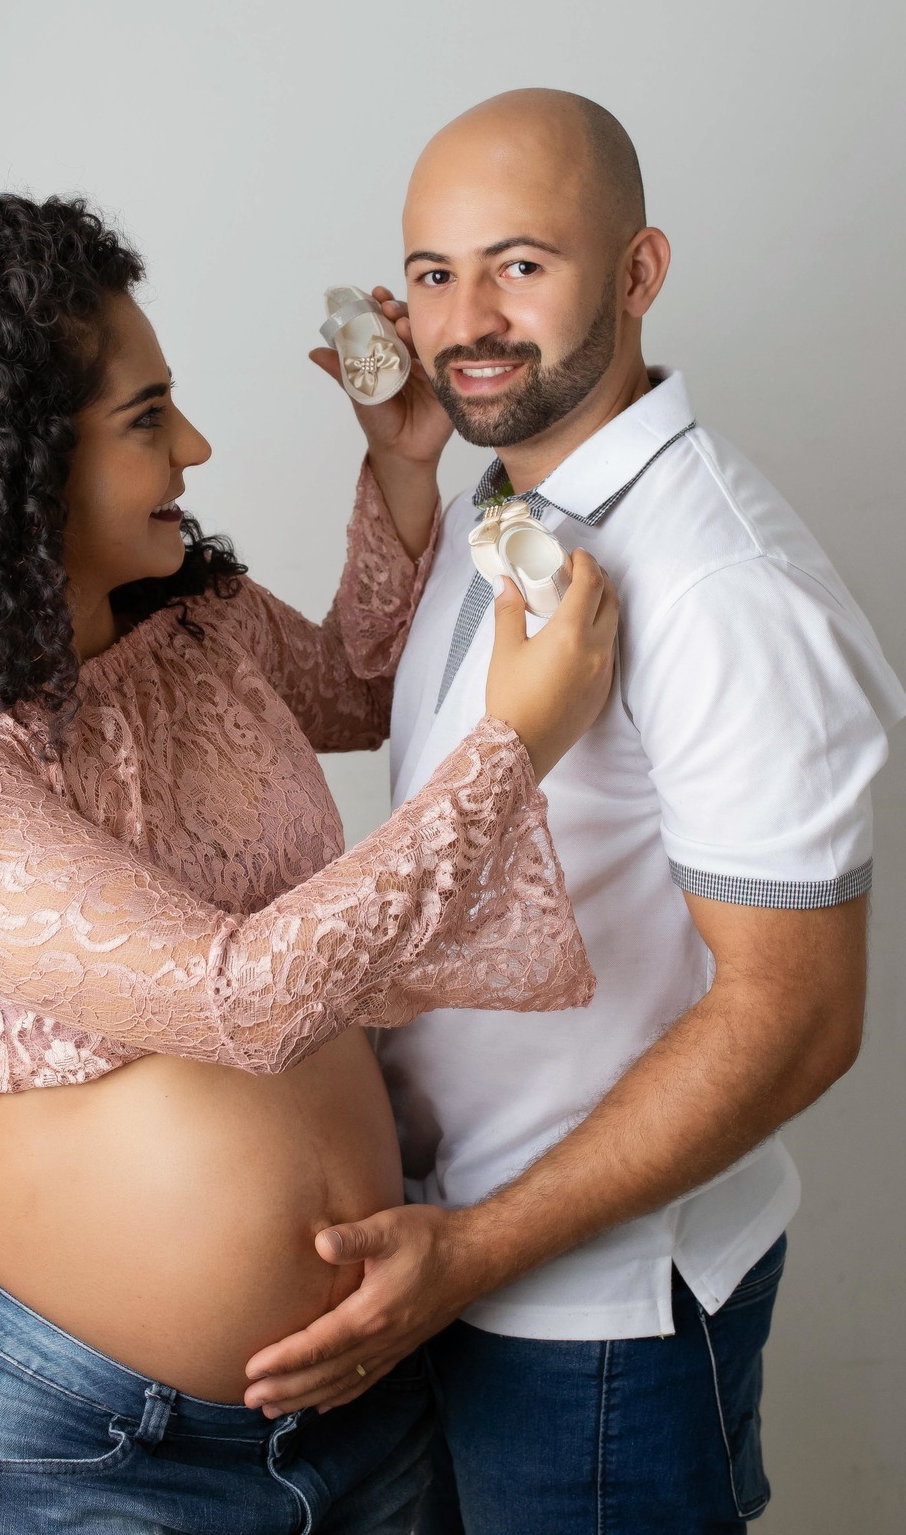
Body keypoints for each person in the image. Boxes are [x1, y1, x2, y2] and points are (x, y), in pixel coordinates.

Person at [0, 192, 618, 1534]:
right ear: (10, 461)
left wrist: (402, 467)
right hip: (87, 1451)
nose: (193, 446)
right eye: (146, 420)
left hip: (370, 1392)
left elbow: (360, 685)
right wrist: (514, 749)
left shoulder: (193, 623)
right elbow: (233, 997)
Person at [244, 90, 906, 1533]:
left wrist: (478, 1252)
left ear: (640, 271)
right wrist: (404, 460)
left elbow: (799, 1017)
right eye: (433, 275)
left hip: (592, 1324)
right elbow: (398, 715)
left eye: (522, 264)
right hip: (456, 1271)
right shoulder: (510, 501)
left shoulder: (723, 589)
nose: (468, 320)